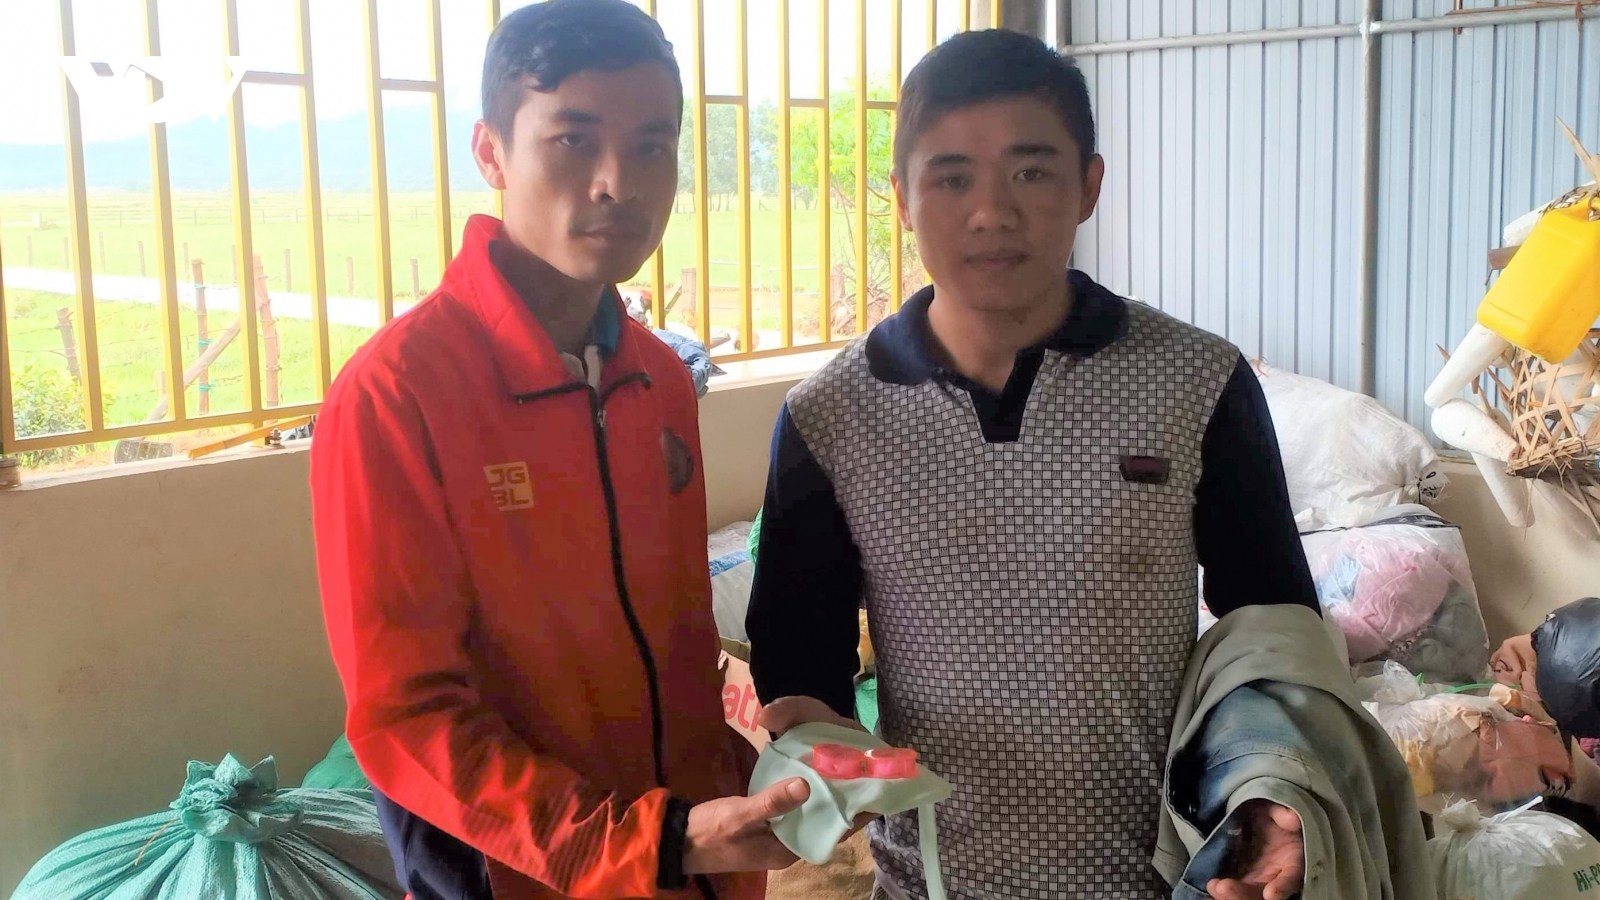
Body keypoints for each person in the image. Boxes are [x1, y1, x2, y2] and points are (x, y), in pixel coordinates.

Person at [747, 30, 1326, 900]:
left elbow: (1274, 629)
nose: (991, 213)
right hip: (931, 883)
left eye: (1030, 171)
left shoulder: (1196, 381)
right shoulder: (831, 416)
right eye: (951, 178)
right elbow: (803, 670)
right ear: (900, 197)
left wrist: (1277, 792)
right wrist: (821, 761)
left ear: (1089, 186)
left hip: (1164, 877)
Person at [309, 3, 811, 899]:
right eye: (574, 141)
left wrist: (754, 768)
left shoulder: (658, 376)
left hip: (694, 860)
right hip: (527, 874)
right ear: (491, 153)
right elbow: (407, 719)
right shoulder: (398, 394)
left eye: (652, 146)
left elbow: (677, 638)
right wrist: (649, 844)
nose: (619, 182)